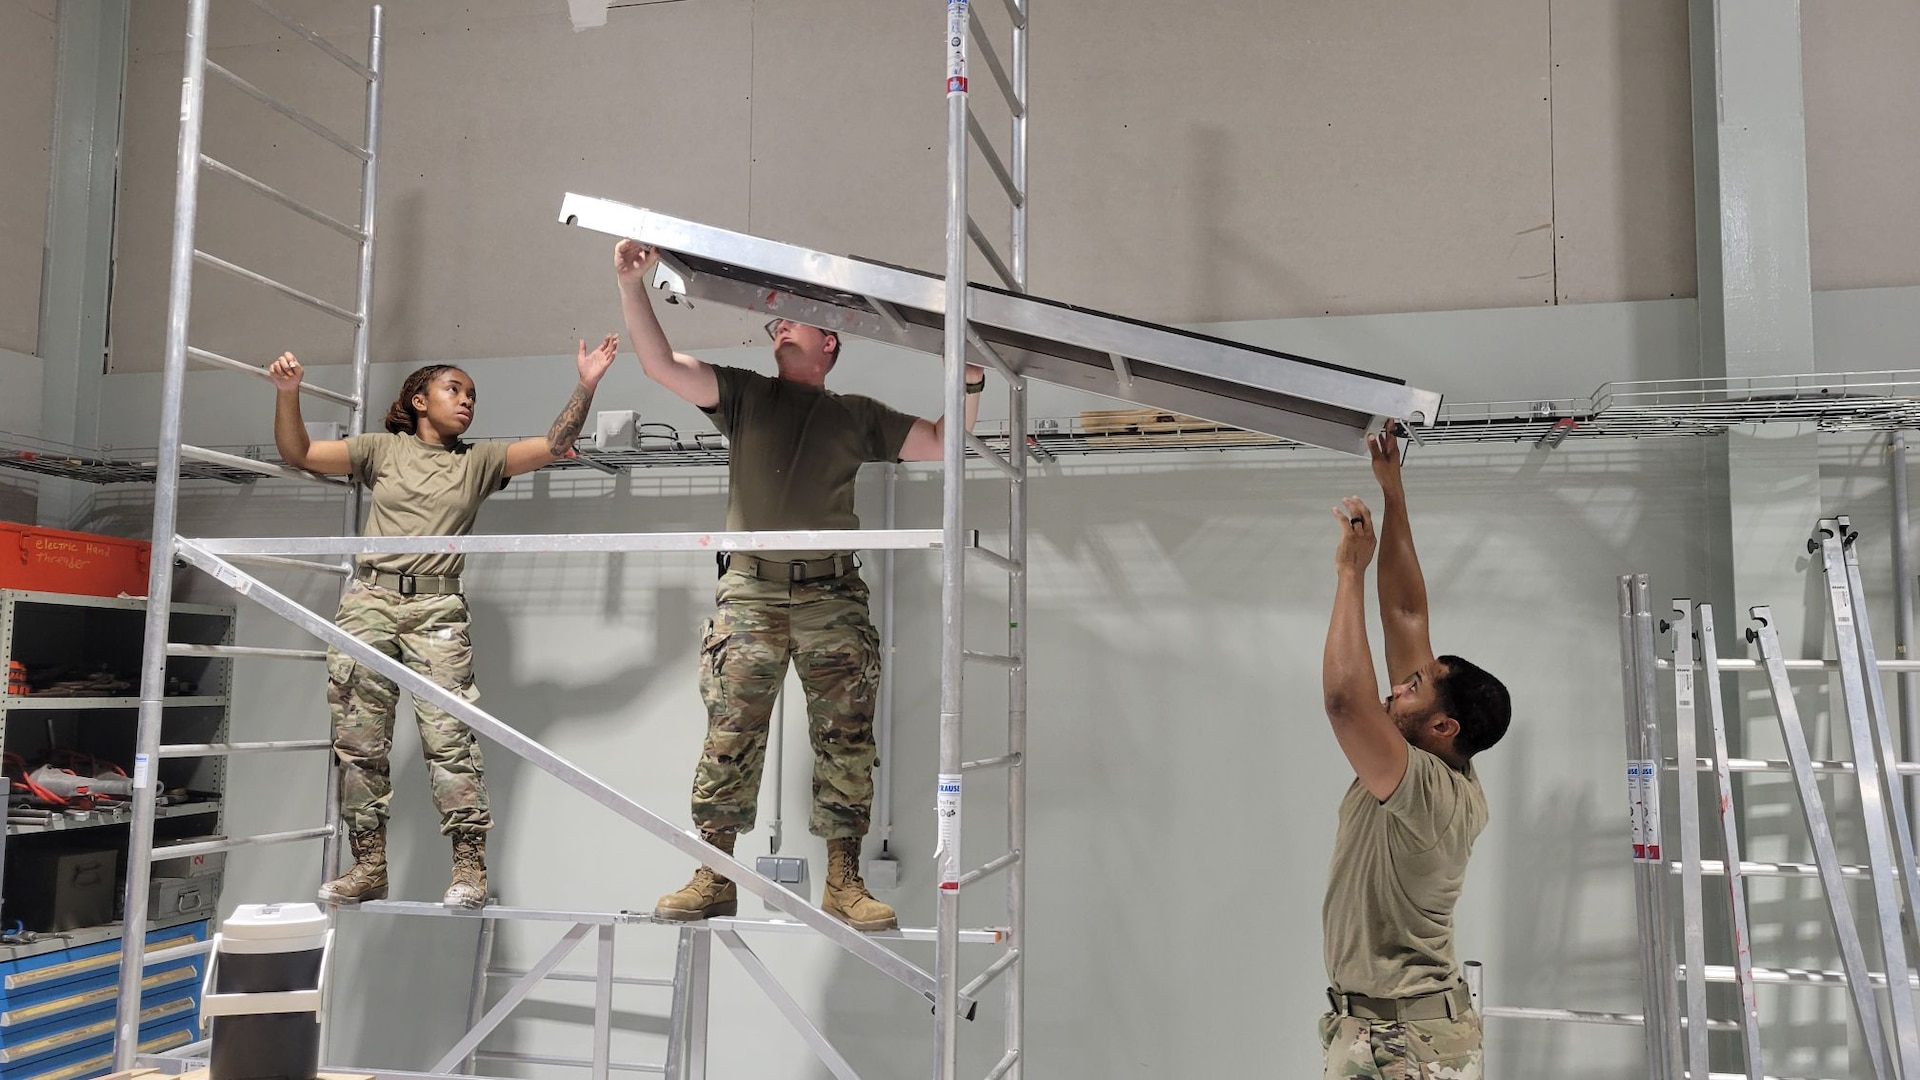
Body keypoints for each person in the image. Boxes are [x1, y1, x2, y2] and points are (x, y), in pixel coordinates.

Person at [612, 238, 984, 932]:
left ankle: (842, 881)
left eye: (794, 319)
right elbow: (660, 365)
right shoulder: (746, 396)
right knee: (730, 731)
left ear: (830, 343)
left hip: (830, 597)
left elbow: (945, 444)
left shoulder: (856, 415)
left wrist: (969, 383)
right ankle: (714, 873)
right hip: (750, 595)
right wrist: (633, 286)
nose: (778, 324)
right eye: (773, 321)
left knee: (846, 736)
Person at [268, 337, 618, 908]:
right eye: (454, 390)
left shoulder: (478, 462)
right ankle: (369, 866)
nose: (467, 402)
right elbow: (300, 453)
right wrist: (288, 393)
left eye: (473, 396)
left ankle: (469, 870)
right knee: (359, 742)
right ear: (419, 400)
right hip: (369, 602)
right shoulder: (381, 449)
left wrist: (587, 383)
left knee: (450, 739)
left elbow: (557, 444)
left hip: (437, 609)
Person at [1317, 431, 1512, 1079]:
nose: (1398, 686)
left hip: (1407, 1045)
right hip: (1380, 1031)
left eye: (1413, 687)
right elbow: (1404, 613)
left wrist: (1349, 571)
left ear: (1443, 725)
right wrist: (1394, 493)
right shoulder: (1426, 743)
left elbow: (1345, 702)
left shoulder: (1430, 791)